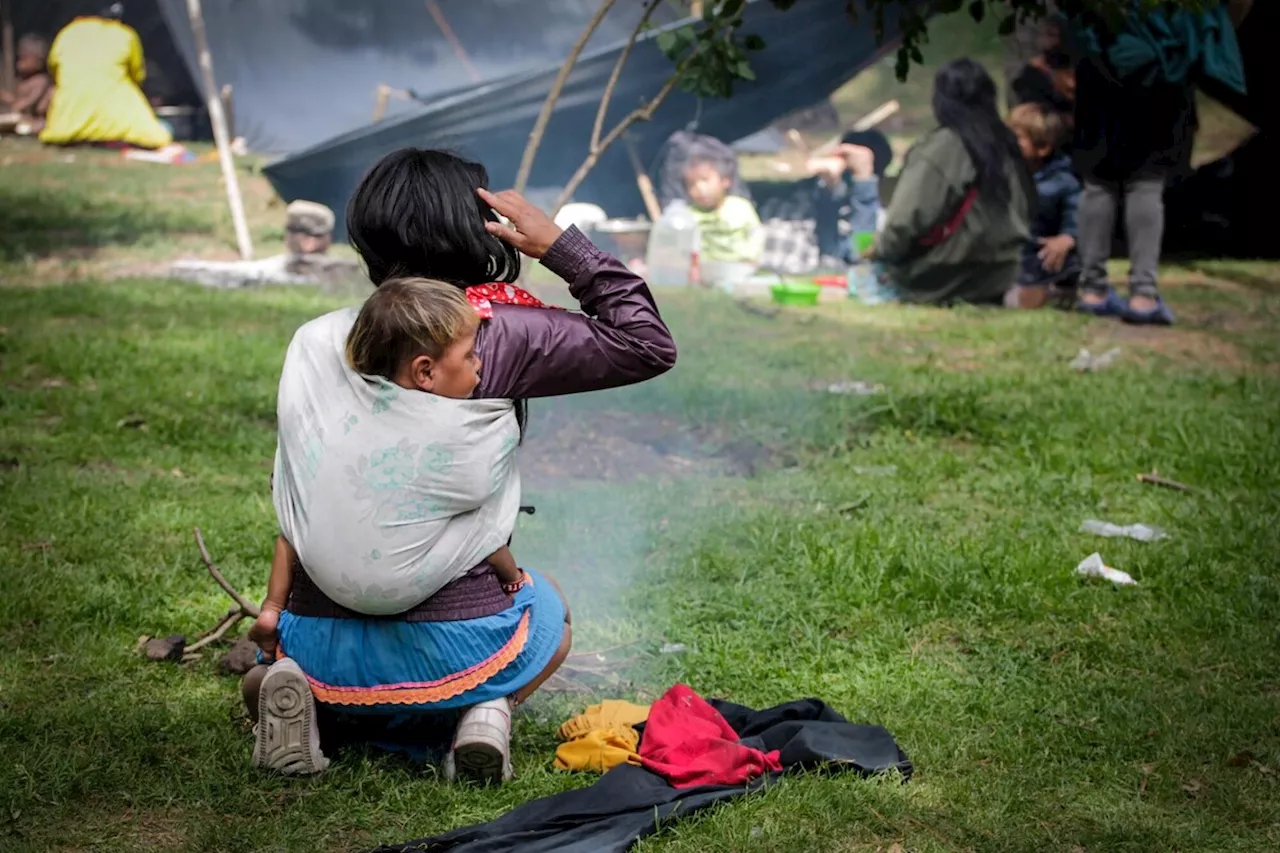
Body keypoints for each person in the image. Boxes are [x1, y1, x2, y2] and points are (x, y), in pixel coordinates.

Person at [243, 148, 677, 782]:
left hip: (316, 631)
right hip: (457, 635)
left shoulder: (319, 338)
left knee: (295, 657)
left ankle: (320, 708)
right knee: (548, 618)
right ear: (476, 228)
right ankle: (481, 710)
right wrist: (560, 245)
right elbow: (645, 343)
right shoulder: (498, 332)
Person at [247, 278, 532, 676]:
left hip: (328, 581)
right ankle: (488, 708)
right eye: (470, 356)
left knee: (292, 530)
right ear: (425, 371)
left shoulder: (343, 414)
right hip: (404, 595)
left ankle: (271, 609)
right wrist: (514, 578)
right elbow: (486, 537)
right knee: (484, 527)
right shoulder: (458, 439)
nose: (480, 365)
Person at [1071, 5, 1244, 326]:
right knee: (1145, 182)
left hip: (1100, 69)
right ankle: (1143, 296)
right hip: (1159, 77)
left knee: (1098, 182)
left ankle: (1092, 291)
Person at [868, 58, 1033, 305]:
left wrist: (879, 250)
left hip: (943, 277)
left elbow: (905, 221)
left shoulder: (940, 147)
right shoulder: (1008, 143)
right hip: (1002, 274)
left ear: (941, 100)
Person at [39, 3, 173, 150]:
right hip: (117, 122)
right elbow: (137, 76)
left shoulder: (67, 33)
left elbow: (55, 71)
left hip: (64, 128)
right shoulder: (125, 34)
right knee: (161, 133)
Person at [1005, 102, 1081, 309]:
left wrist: (1068, 237)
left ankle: (1052, 292)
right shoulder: (1008, 175)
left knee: (1064, 263)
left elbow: (1076, 212)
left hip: (1044, 255)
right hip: (1015, 253)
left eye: (1018, 138)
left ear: (1043, 147)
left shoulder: (1063, 181)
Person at [810, 129, 891, 265]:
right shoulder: (807, 207)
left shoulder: (881, 220)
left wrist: (863, 181)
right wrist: (830, 187)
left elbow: (860, 254)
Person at [683, 157, 763, 266]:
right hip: (703, 267)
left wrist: (752, 257)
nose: (700, 188)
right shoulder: (687, 214)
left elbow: (756, 233)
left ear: (725, 182)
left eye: (705, 180)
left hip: (741, 264)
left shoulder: (740, 207)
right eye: (691, 184)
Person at [0, 35, 54, 133]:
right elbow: (14, 100)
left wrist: (20, 105)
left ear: (38, 61)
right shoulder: (19, 80)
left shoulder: (41, 80)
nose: (19, 63)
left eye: (24, 59)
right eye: (19, 58)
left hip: (37, 118)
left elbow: (31, 100)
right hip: (21, 117)